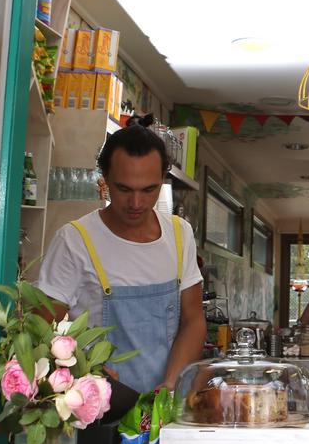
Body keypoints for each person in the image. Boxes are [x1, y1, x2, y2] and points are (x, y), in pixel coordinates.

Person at [36, 114, 205, 394]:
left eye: (149, 190)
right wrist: (82, 366)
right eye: (123, 189)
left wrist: (171, 384)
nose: (136, 203)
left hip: (161, 408)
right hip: (98, 410)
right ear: (105, 179)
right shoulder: (75, 240)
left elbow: (193, 320)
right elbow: (40, 328)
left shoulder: (179, 235)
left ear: (162, 178)